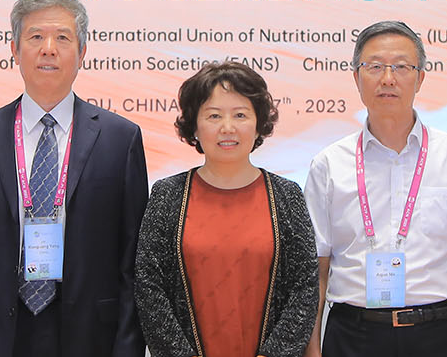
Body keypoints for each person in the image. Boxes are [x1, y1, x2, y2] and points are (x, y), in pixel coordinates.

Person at [0, 0, 150, 357]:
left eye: (63, 38)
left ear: (82, 53)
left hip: (89, 337)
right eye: (35, 36)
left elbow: (133, 264)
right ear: (15, 50)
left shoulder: (121, 140)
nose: (48, 49)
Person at [303, 20, 447, 357]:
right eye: (374, 67)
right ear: (356, 78)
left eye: (401, 66)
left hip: (437, 334)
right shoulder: (328, 164)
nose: (388, 78)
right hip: (353, 335)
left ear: (420, 78)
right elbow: (318, 267)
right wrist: (312, 348)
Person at [135, 61, 319, 357]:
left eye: (240, 115)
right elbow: (149, 287)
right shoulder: (168, 195)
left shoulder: (286, 196)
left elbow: (304, 288)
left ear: (259, 124)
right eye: (214, 115)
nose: (227, 128)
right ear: (194, 126)